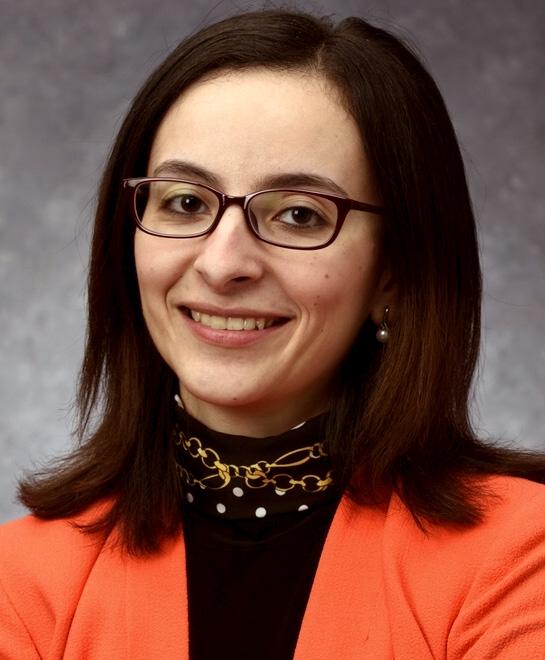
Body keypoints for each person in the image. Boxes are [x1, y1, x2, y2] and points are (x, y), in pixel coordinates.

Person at [1, 8, 545, 659]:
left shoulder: (519, 558)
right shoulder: (20, 583)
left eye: (298, 215)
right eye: (185, 202)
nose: (222, 263)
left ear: (394, 272)